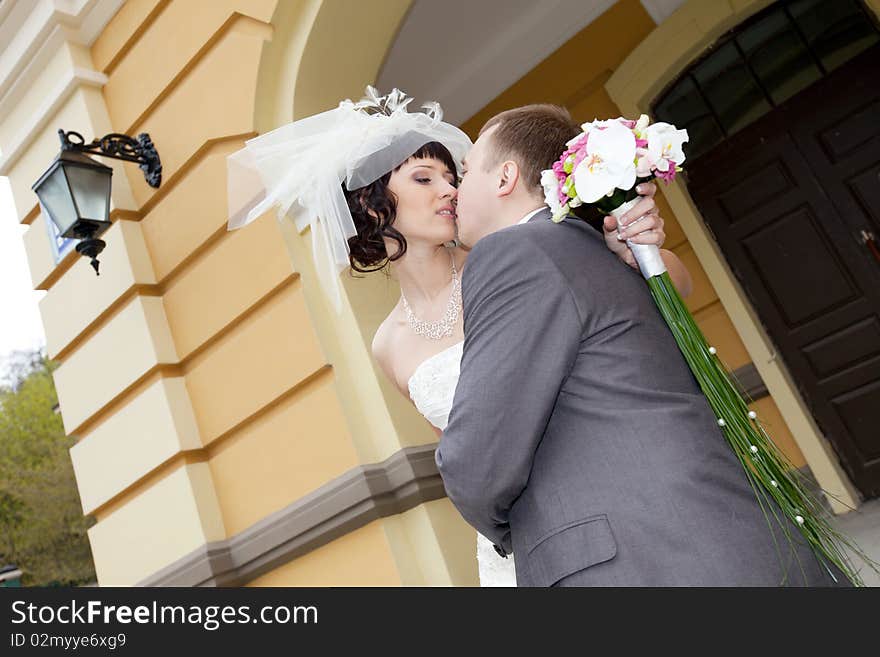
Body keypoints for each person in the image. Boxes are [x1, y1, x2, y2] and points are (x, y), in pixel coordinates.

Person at [226, 87, 690, 587]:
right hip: (513, 546)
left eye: (453, 178)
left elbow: (667, 293)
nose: (449, 190)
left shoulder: (513, 264)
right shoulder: (388, 345)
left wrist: (636, 251)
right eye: (424, 178)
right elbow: (463, 457)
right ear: (373, 204)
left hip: (607, 505)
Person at [435, 103, 849, 586]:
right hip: (737, 531)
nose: (454, 191)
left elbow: (476, 459)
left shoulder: (512, 253)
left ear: (505, 177)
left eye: (463, 173)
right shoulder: (608, 249)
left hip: (643, 560)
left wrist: (515, 529)